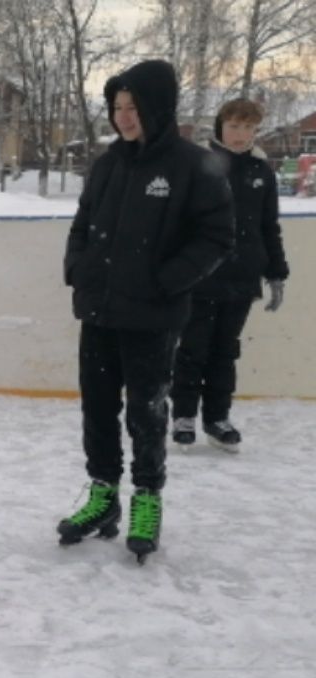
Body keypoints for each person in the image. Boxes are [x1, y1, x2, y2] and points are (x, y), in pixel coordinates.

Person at [57, 60, 234, 563]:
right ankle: (103, 495)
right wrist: (78, 268)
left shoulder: (190, 164)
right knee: (97, 408)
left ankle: (148, 498)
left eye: (133, 107)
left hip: (153, 317)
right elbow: (83, 223)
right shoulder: (108, 164)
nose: (124, 117)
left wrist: (167, 281)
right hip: (99, 311)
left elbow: (217, 236)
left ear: (157, 108)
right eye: (117, 107)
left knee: (147, 412)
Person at [170, 98, 290, 452]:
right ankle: (184, 417)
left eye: (249, 128)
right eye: (235, 126)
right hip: (200, 277)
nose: (241, 135)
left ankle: (217, 419)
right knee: (193, 349)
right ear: (221, 125)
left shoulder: (261, 171)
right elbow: (176, 223)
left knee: (225, 352)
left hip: (242, 279)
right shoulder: (199, 165)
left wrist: (276, 274)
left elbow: (269, 227)